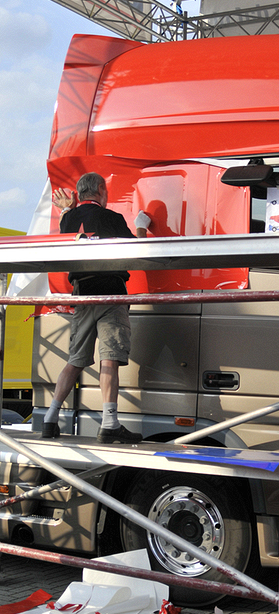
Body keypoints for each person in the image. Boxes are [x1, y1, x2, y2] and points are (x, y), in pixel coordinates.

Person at [42, 172, 151, 444]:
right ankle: (110, 424)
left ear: (80, 195)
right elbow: (136, 251)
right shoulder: (112, 218)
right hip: (110, 294)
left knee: (75, 360)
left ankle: (49, 419)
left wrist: (68, 208)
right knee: (109, 358)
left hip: (81, 295)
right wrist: (141, 226)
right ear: (101, 189)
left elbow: (76, 229)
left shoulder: (68, 220)